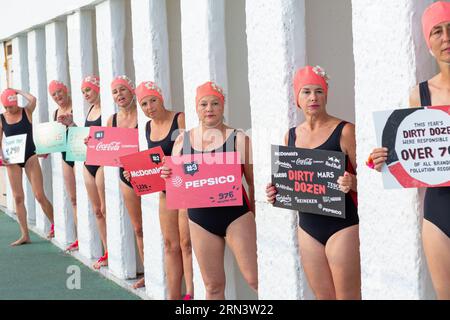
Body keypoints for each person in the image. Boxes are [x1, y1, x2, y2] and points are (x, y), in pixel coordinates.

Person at [368, 1, 450, 300]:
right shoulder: (421, 94)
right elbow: (410, 149)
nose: (446, 38)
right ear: (428, 43)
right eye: (437, 32)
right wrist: (385, 158)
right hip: (438, 210)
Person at [266, 66, 361, 300]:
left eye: (319, 91)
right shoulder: (291, 136)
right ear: (297, 98)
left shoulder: (345, 131)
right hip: (308, 226)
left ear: (326, 95)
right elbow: (290, 181)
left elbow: (370, 183)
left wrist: (353, 182)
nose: (313, 97)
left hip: (343, 224)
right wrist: (274, 191)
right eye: (306, 92)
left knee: (347, 297)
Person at [161, 81, 258, 300]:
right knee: (213, 287)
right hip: (200, 219)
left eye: (215, 103)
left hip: (236, 216)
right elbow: (176, 181)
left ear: (223, 106)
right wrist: (167, 175)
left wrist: (256, 217)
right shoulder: (182, 140)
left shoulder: (239, 138)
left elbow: (252, 181)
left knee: (255, 278)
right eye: (203, 104)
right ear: (196, 108)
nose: (209, 108)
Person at [124, 81, 193, 300]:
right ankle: (172, 296)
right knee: (169, 245)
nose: (149, 107)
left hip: (184, 189)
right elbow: (153, 163)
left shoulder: (179, 119)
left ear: (161, 98)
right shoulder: (147, 127)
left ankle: (190, 294)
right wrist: (135, 173)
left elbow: (192, 154)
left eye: (153, 100)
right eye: (144, 104)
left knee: (186, 244)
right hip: (165, 191)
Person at [0, 88, 55, 245]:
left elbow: (33, 99)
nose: (9, 109)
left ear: (16, 102)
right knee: (18, 197)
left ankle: (55, 226)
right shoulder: (1, 118)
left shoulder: (26, 111)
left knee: (39, 195)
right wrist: (1, 156)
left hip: (30, 156)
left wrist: (18, 91)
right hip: (12, 159)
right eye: (6, 107)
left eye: (11, 106)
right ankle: (25, 235)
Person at [107, 75, 144, 289]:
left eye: (122, 90)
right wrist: (93, 144)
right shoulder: (111, 121)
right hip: (126, 177)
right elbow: (106, 149)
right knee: (138, 228)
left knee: (158, 227)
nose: (119, 95)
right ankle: (150, 272)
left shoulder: (144, 115)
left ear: (131, 92)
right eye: (115, 92)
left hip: (148, 174)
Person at [80, 76, 108, 269]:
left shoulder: (107, 110)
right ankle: (106, 251)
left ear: (98, 88)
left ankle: (113, 251)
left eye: (88, 90)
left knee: (105, 209)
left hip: (102, 163)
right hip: (88, 162)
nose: (86, 95)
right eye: (83, 92)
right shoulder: (90, 110)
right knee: (97, 211)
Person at [48, 80, 78, 252]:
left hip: (79, 155)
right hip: (65, 156)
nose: (58, 96)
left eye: (60, 92)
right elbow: (57, 139)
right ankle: (80, 238)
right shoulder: (55, 113)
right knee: (73, 199)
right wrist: (46, 149)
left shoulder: (77, 107)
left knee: (87, 200)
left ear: (66, 91)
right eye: (54, 94)